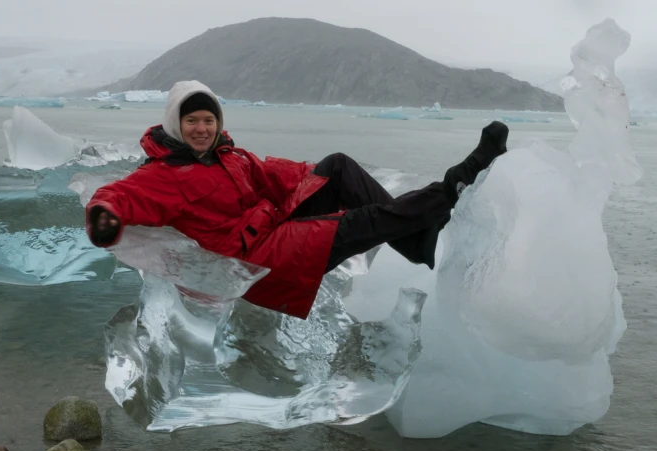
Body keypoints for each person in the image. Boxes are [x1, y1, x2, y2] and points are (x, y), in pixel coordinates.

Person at [86, 80, 508, 320]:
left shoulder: (231, 157)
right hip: (255, 260)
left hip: (272, 228)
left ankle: (418, 241)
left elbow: (275, 174)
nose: (201, 128)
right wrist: (104, 216)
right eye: (192, 120)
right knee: (354, 224)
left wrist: (314, 178)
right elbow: (120, 195)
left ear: (218, 123)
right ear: (175, 124)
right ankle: (454, 185)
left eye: (208, 120)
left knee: (338, 165)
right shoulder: (164, 174)